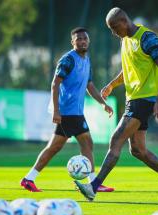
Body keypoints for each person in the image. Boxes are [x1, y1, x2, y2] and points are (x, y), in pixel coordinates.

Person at [74, 8, 158, 201]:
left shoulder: (147, 38)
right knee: (137, 150)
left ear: (123, 21)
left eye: (114, 27)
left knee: (115, 140)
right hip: (134, 99)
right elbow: (128, 69)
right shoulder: (125, 39)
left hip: (144, 100)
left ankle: (93, 187)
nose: (113, 32)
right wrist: (112, 84)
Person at [21, 27, 114, 193]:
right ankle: (92, 183)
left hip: (75, 113)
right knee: (75, 144)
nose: (82, 41)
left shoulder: (87, 59)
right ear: (73, 42)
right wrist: (56, 111)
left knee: (65, 146)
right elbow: (55, 84)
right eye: (78, 39)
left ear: (89, 40)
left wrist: (102, 103)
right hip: (67, 112)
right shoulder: (68, 59)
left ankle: (29, 179)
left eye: (84, 38)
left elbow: (89, 85)